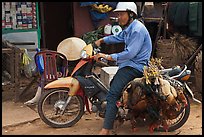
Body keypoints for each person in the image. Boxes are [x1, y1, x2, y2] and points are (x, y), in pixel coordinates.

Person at [94, 2, 152, 135]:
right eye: (118, 14)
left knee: (113, 93)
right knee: (114, 85)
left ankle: (106, 129)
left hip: (135, 67)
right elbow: (118, 37)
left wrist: (108, 56)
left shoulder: (137, 30)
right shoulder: (129, 28)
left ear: (131, 14)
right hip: (128, 64)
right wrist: (102, 41)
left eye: (121, 14)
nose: (118, 17)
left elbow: (130, 53)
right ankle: (117, 114)